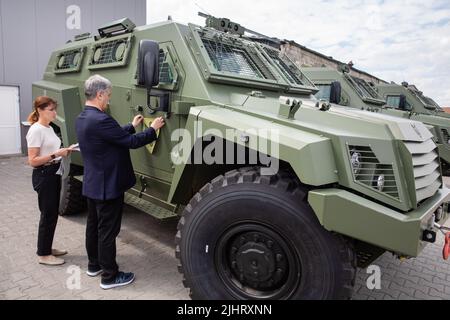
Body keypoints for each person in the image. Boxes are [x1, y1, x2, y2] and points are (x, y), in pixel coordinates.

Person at [75, 74, 165, 290]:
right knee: (108, 232)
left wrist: (131, 125)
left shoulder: (83, 117)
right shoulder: (101, 119)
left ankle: (94, 265)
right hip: (108, 187)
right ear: (99, 94)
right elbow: (131, 143)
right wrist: (153, 129)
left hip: (93, 183)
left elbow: (111, 137)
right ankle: (109, 276)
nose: (108, 100)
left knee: (94, 227)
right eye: (108, 95)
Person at [26, 96, 73, 265]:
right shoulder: (36, 130)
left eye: (55, 109)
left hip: (53, 172)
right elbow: (32, 161)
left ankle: (46, 247)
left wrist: (64, 151)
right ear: (40, 110)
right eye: (51, 110)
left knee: (52, 213)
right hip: (44, 174)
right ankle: (44, 255)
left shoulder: (48, 128)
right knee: (47, 215)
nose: (55, 113)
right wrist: (56, 154)